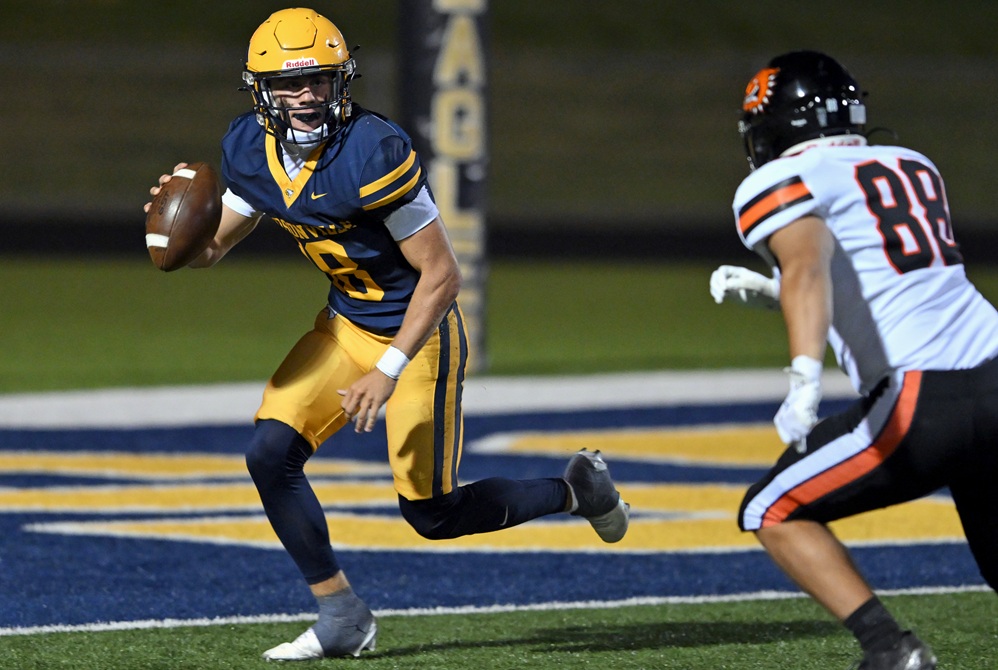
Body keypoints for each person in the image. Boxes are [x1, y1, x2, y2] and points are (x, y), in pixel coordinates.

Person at [143, 7, 629, 661]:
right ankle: (341, 614)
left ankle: (577, 490)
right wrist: (170, 235)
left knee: (432, 513)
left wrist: (388, 369)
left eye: (319, 80)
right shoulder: (249, 150)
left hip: (417, 334)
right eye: (290, 84)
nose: (307, 96)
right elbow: (211, 250)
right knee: (269, 453)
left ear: (341, 80)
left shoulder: (372, 151)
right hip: (346, 324)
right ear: (261, 91)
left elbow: (443, 275)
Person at [710, 50, 998, 670]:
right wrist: (777, 293)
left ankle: (891, 650)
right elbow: (893, 278)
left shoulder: (780, 179)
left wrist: (803, 379)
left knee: (771, 508)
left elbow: (809, 268)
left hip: (926, 396)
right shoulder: (913, 164)